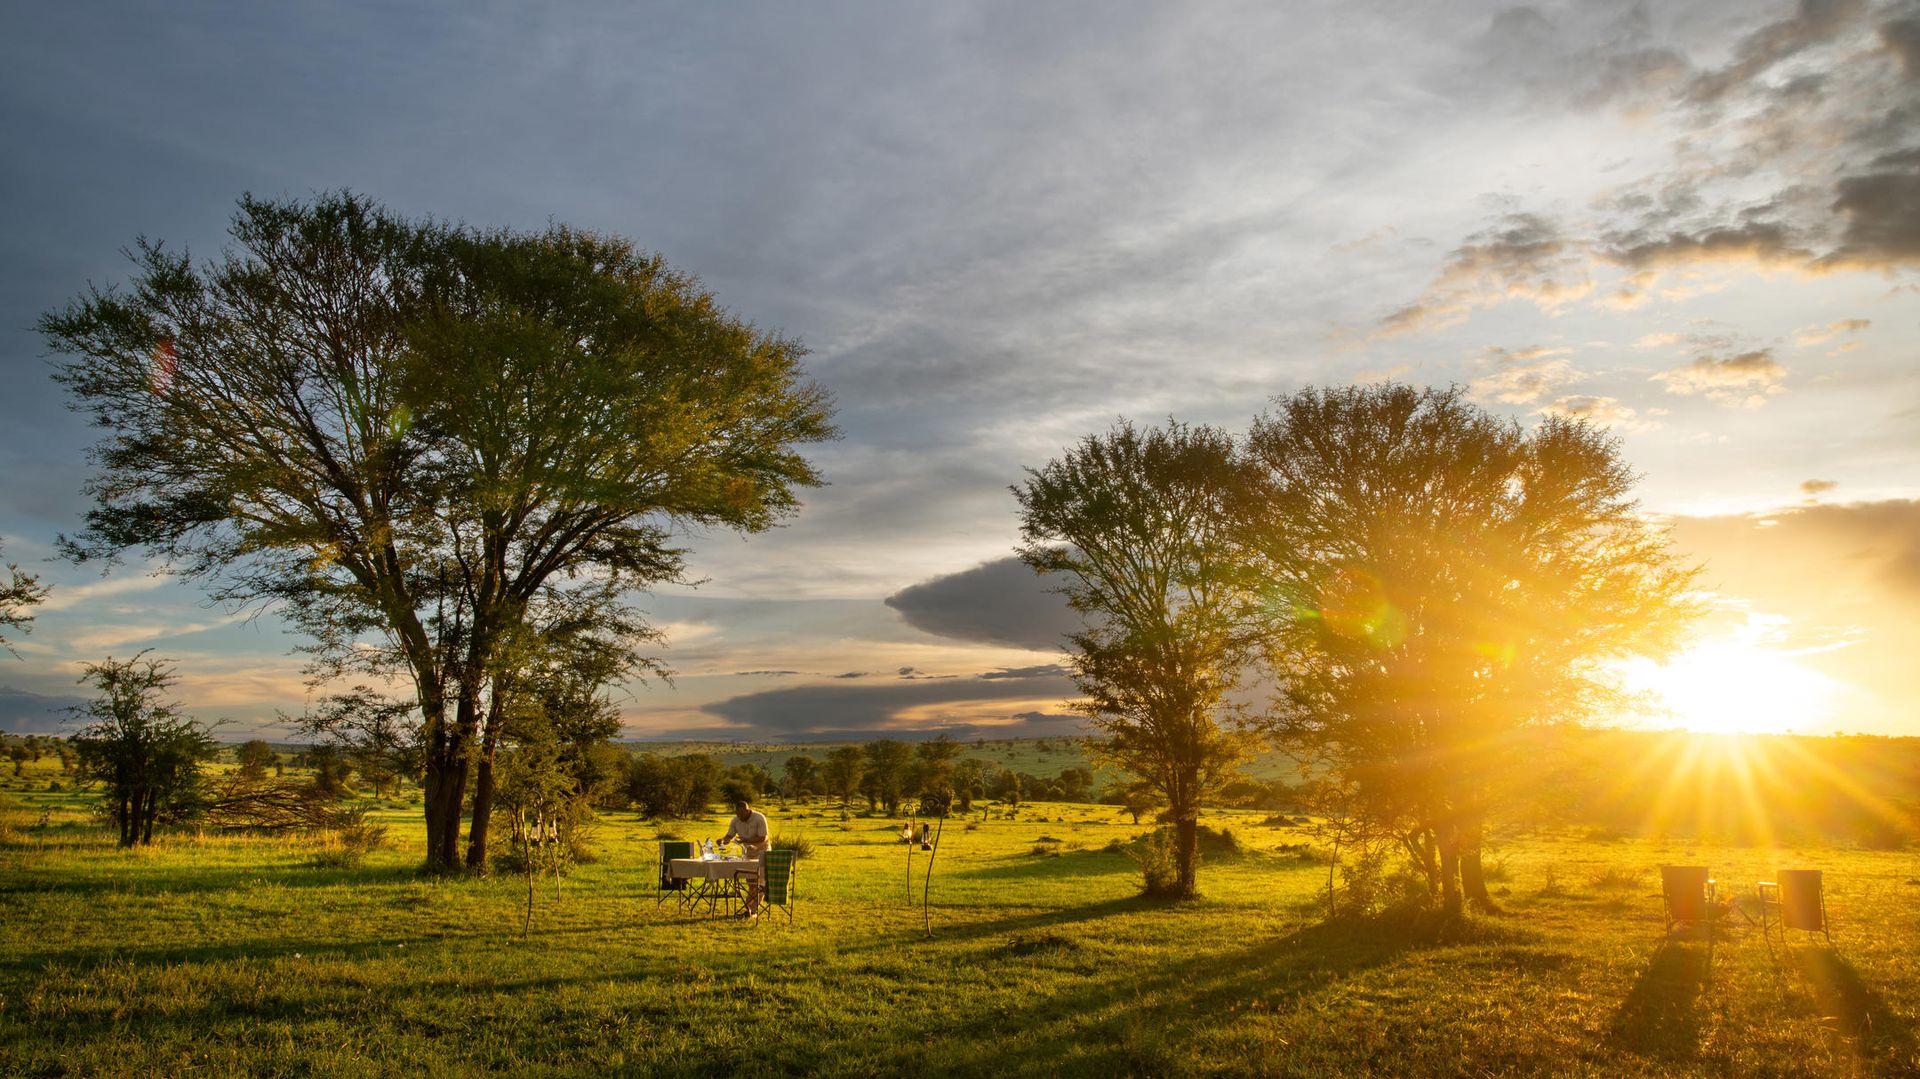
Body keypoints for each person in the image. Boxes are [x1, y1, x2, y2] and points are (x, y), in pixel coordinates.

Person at [721, 799, 770, 916]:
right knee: (751, 883)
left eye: (742, 815)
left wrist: (746, 840)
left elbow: (763, 838)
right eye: (738, 815)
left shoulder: (759, 818)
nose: (740, 817)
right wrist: (723, 840)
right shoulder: (735, 820)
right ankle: (748, 910)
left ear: (748, 811)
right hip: (748, 854)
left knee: (760, 882)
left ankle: (753, 910)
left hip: (762, 852)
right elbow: (729, 835)